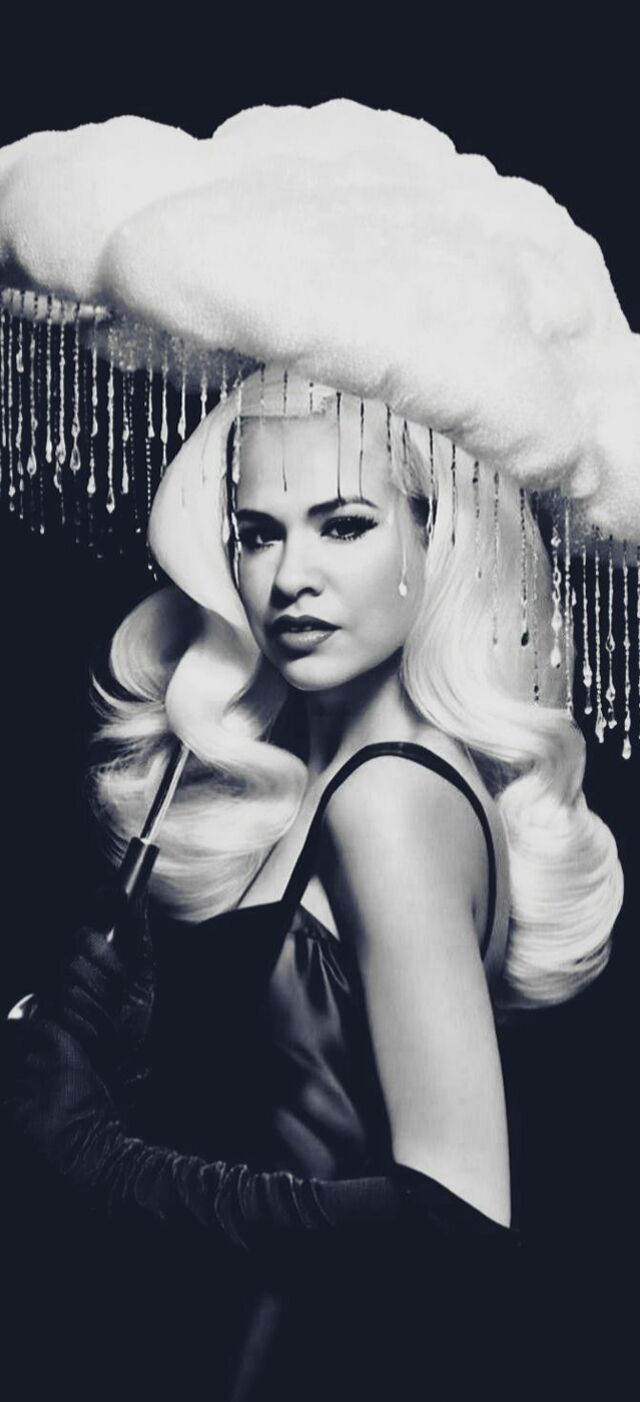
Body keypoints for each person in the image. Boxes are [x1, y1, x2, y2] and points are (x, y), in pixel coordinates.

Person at [4, 367, 623, 1399]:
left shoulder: (389, 800)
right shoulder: (325, 780)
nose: (291, 576)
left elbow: (455, 1221)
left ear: (438, 537)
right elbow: (280, 1110)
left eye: (343, 525)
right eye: (257, 533)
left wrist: (95, 1154)